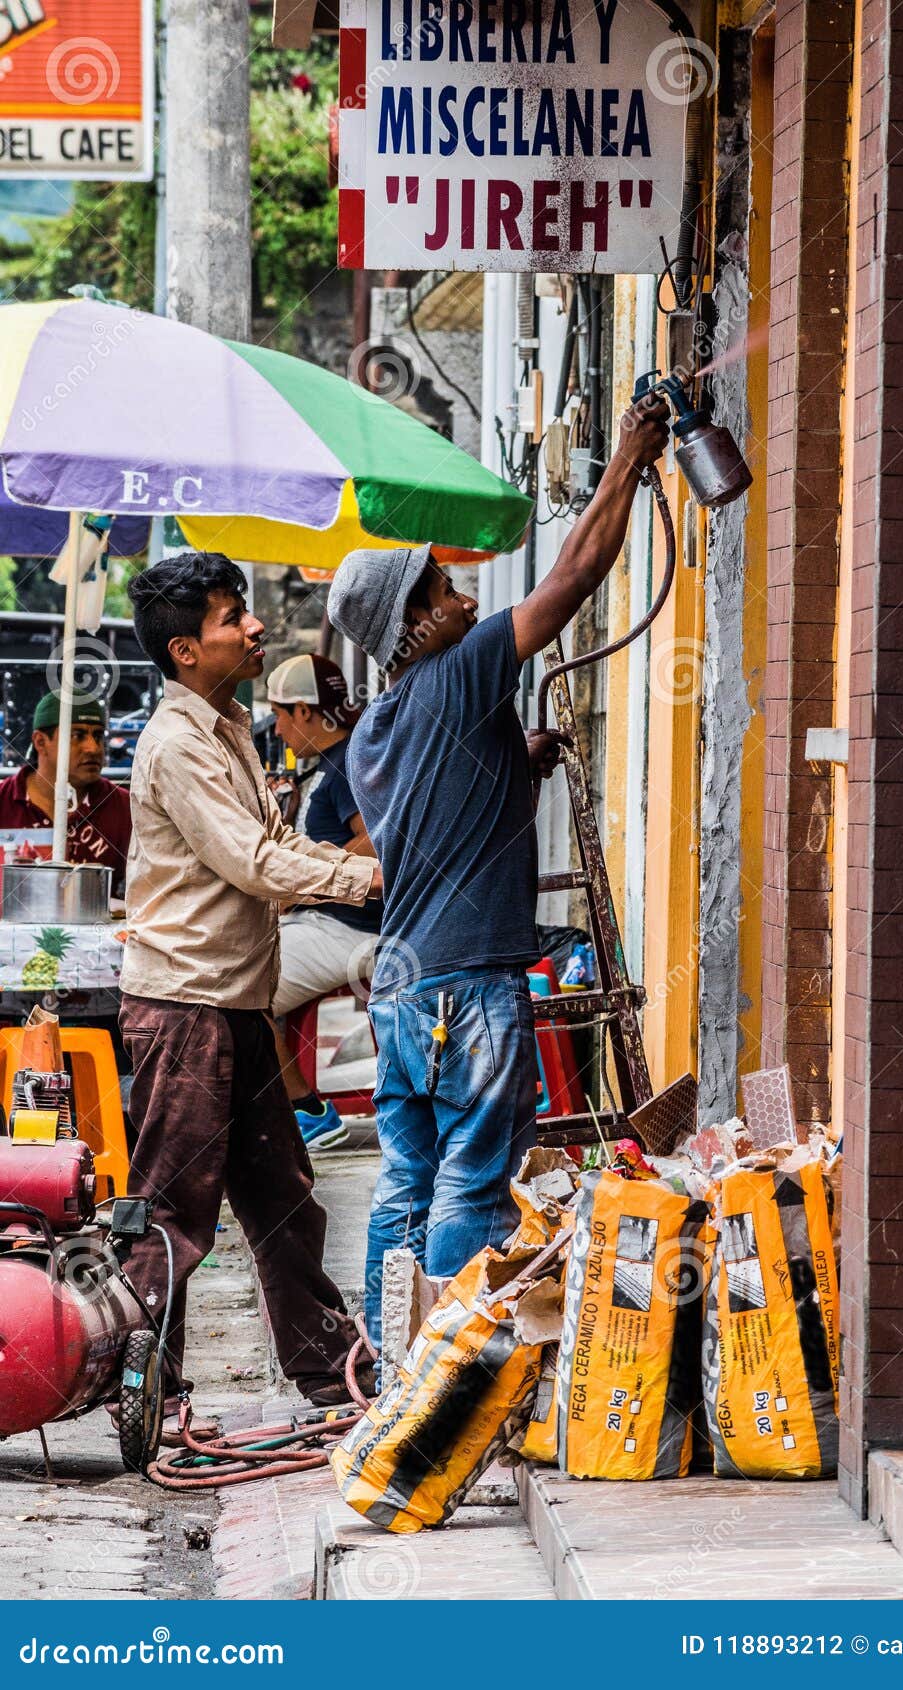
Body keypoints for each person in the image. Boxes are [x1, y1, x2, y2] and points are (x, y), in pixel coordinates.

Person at [327, 395, 670, 1351]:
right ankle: (453, 1370)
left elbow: (442, 803)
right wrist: (628, 461)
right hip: (465, 990)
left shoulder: (378, 732)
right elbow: (573, 576)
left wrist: (517, 757)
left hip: (400, 990)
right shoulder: (461, 669)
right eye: (442, 592)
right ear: (413, 624)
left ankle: (390, 1359)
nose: (467, 602)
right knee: (475, 1183)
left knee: (408, 1178)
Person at [120, 552, 383, 1429]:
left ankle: (329, 1373)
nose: (256, 626)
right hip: (185, 1008)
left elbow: (274, 844)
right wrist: (363, 881)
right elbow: (256, 861)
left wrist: (358, 870)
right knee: (174, 1215)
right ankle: (141, 1390)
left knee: (283, 1196)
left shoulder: (229, 725)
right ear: (186, 650)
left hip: (233, 1005)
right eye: (234, 616)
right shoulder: (176, 743)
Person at [266, 652, 380, 1150]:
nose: (277, 727)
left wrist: (301, 885)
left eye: (280, 714)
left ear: (307, 712)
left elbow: (378, 843)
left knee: (242, 991)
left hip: (355, 929)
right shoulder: (337, 762)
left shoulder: (347, 766)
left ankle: (307, 1112)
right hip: (333, 923)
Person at [0, 692, 132, 890]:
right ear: (41, 742)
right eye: (77, 735)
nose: (93, 748)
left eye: (97, 736)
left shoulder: (126, 808)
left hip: (98, 920)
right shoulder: (4, 800)